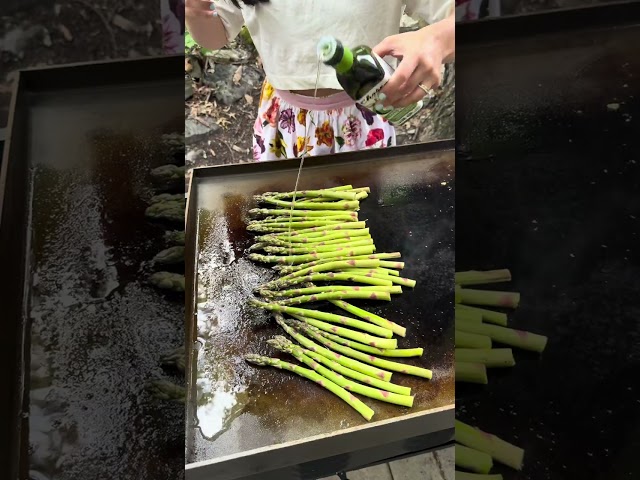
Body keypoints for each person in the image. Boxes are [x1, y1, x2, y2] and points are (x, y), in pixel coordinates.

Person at [186, 0, 455, 161]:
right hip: (280, 120)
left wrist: (437, 39)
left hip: (364, 118)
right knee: (286, 232)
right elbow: (216, 34)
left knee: (367, 224)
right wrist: (195, 13)